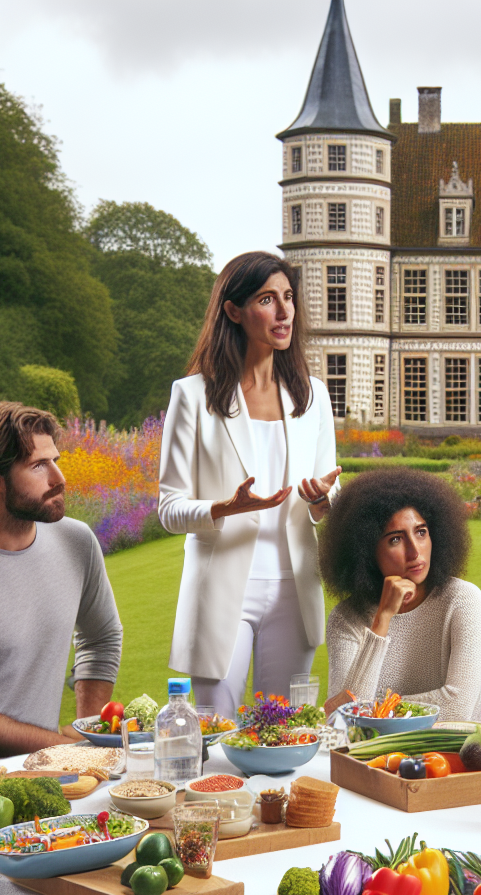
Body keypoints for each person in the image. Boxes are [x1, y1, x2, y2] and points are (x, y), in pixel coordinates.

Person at [158, 252, 341, 719]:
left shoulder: (312, 395)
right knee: (213, 735)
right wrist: (224, 507)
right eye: (267, 299)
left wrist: (323, 502)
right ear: (234, 310)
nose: (284, 312)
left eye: (288, 298)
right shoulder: (193, 396)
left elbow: (326, 496)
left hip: (293, 590)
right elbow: (170, 507)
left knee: (284, 735)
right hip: (220, 594)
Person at [0, 402, 122, 757]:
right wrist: (64, 748)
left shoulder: (75, 541)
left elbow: (102, 635)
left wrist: (90, 728)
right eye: (38, 466)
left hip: (47, 773)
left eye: (55, 460)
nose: (59, 478)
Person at [320, 468, 481, 722]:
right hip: (372, 759)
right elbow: (345, 721)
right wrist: (382, 620)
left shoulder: (462, 599)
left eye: (421, 532)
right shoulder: (346, 618)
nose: (415, 552)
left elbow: (458, 708)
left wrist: (373, 709)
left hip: (445, 756)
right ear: (365, 551)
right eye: (396, 539)